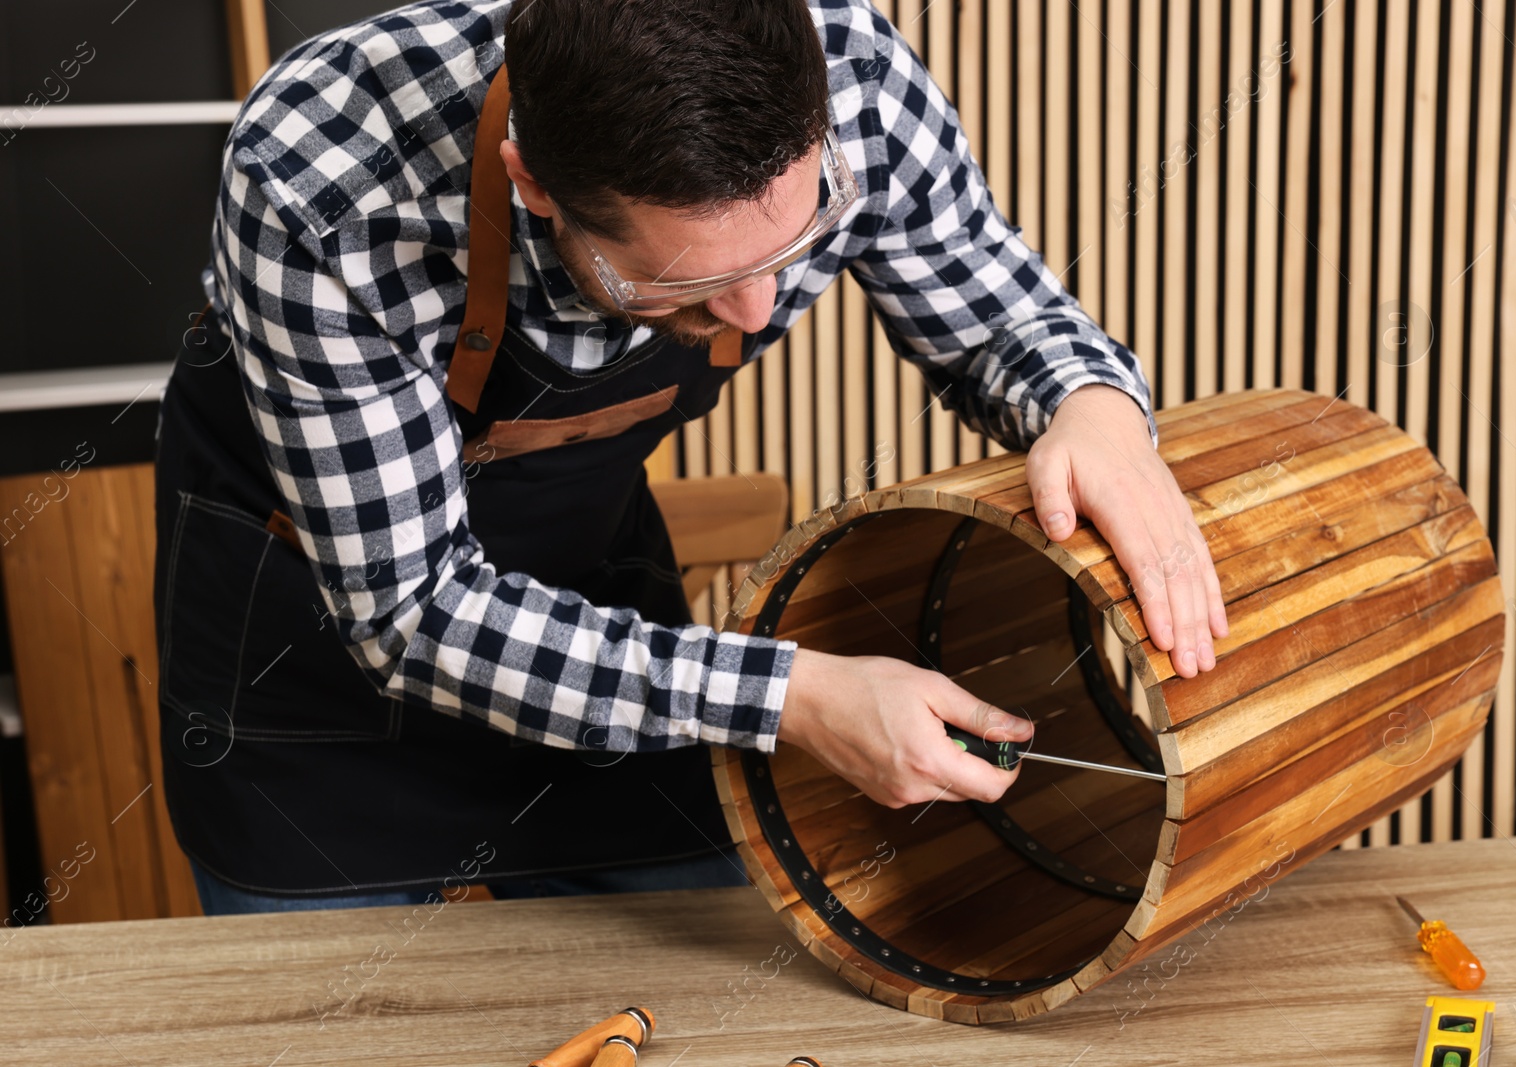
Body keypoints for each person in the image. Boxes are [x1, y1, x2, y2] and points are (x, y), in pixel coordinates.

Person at [153, 0, 1227, 915]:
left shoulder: (849, 72)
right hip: (315, 660)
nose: (757, 309)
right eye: (680, 285)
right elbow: (412, 608)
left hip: (602, 611)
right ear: (534, 185)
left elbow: (998, 319)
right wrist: (791, 696)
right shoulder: (320, 178)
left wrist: (1090, 402)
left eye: (794, 246)